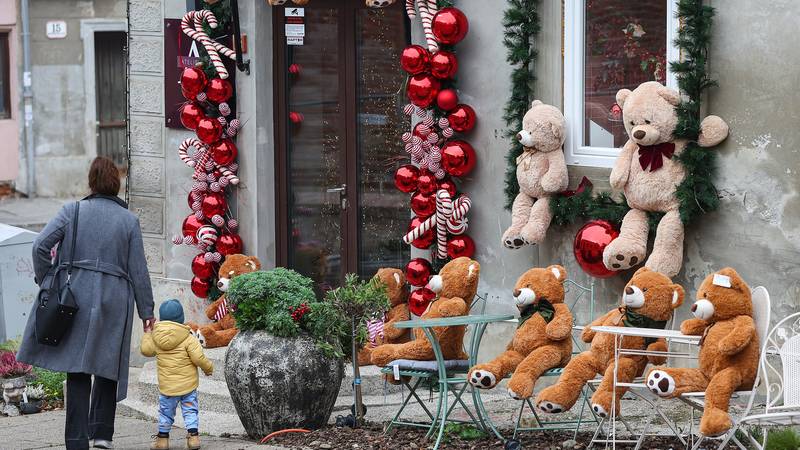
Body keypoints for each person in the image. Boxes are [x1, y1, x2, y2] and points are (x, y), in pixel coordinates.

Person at [17, 156, 155, 450]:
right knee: (107, 364)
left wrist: (47, 280)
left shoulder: (73, 210)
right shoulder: (129, 220)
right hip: (114, 298)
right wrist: (147, 311)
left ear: (91, 182)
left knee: (77, 369)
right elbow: (138, 270)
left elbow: (40, 245)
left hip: (74, 295)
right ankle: (102, 434)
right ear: (116, 183)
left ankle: (76, 441)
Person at [141, 299, 213, 450]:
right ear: (181, 318)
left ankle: (162, 441)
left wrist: (148, 332)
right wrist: (208, 369)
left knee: (166, 413)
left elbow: (146, 351)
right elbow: (198, 358)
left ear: (161, 319)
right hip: (188, 387)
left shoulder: (156, 336)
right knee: (190, 411)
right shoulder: (188, 338)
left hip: (168, 387)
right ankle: (193, 438)